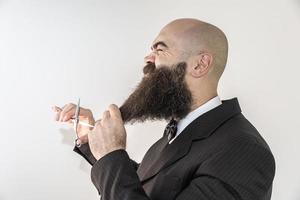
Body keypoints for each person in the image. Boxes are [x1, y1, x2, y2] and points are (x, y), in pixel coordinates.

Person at [52, 18, 275, 200]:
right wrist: (97, 145)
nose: (148, 59)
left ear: (200, 64)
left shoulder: (243, 150)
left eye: (160, 49)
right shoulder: (176, 133)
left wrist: (112, 156)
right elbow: (152, 188)